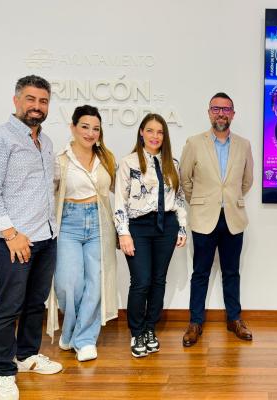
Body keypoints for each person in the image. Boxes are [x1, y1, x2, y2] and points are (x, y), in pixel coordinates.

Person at [0, 75, 62, 400]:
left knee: (35, 303)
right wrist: (11, 235)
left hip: (45, 237)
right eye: (31, 99)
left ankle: (26, 356)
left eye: (43, 101)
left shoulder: (46, 142)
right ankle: (3, 371)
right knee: (8, 307)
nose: (37, 106)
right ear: (16, 101)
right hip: (12, 242)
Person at [180, 92, 254, 347]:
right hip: (203, 218)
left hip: (233, 217)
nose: (221, 113)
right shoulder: (193, 143)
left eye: (226, 109)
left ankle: (235, 319)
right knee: (200, 272)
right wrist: (201, 201)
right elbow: (185, 179)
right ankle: (195, 322)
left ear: (233, 114)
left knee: (231, 272)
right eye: (216, 109)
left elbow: (247, 181)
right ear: (209, 112)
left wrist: (229, 197)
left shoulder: (244, 145)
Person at [45, 105, 118, 362]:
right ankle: (70, 331)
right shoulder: (60, 160)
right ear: (73, 127)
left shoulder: (106, 159)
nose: (90, 133)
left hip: (99, 223)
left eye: (96, 128)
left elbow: (121, 192)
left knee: (96, 282)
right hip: (69, 223)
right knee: (68, 283)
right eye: (85, 127)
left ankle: (85, 339)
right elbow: (48, 195)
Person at [114, 113, 187, 358]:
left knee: (158, 280)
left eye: (160, 132)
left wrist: (182, 226)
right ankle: (136, 332)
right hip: (138, 227)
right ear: (141, 133)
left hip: (166, 226)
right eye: (150, 131)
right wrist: (123, 233)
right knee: (141, 281)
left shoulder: (172, 163)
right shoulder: (128, 162)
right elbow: (120, 201)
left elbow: (178, 197)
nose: (155, 136)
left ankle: (149, 329)